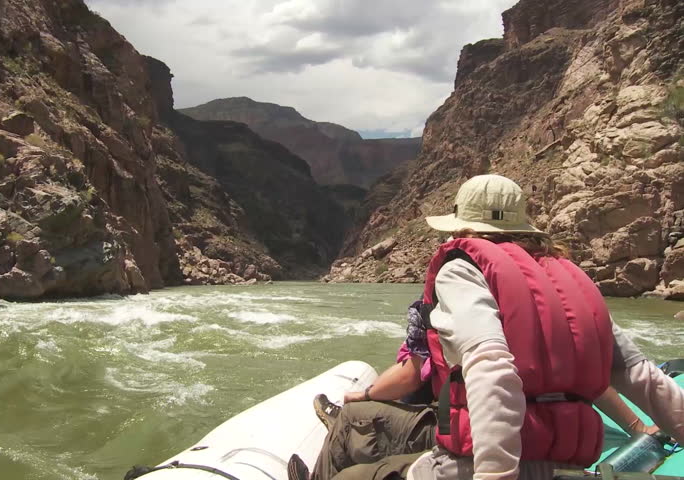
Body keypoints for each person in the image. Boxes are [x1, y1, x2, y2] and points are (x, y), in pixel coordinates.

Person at [292, 174, 684, 480]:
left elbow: (490, 365)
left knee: (358, 473)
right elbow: (640, 375)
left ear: (462, 226)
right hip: (565, 464)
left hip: (487, 464)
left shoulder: (462, 269)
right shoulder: (567, 279)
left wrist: (496, 474)